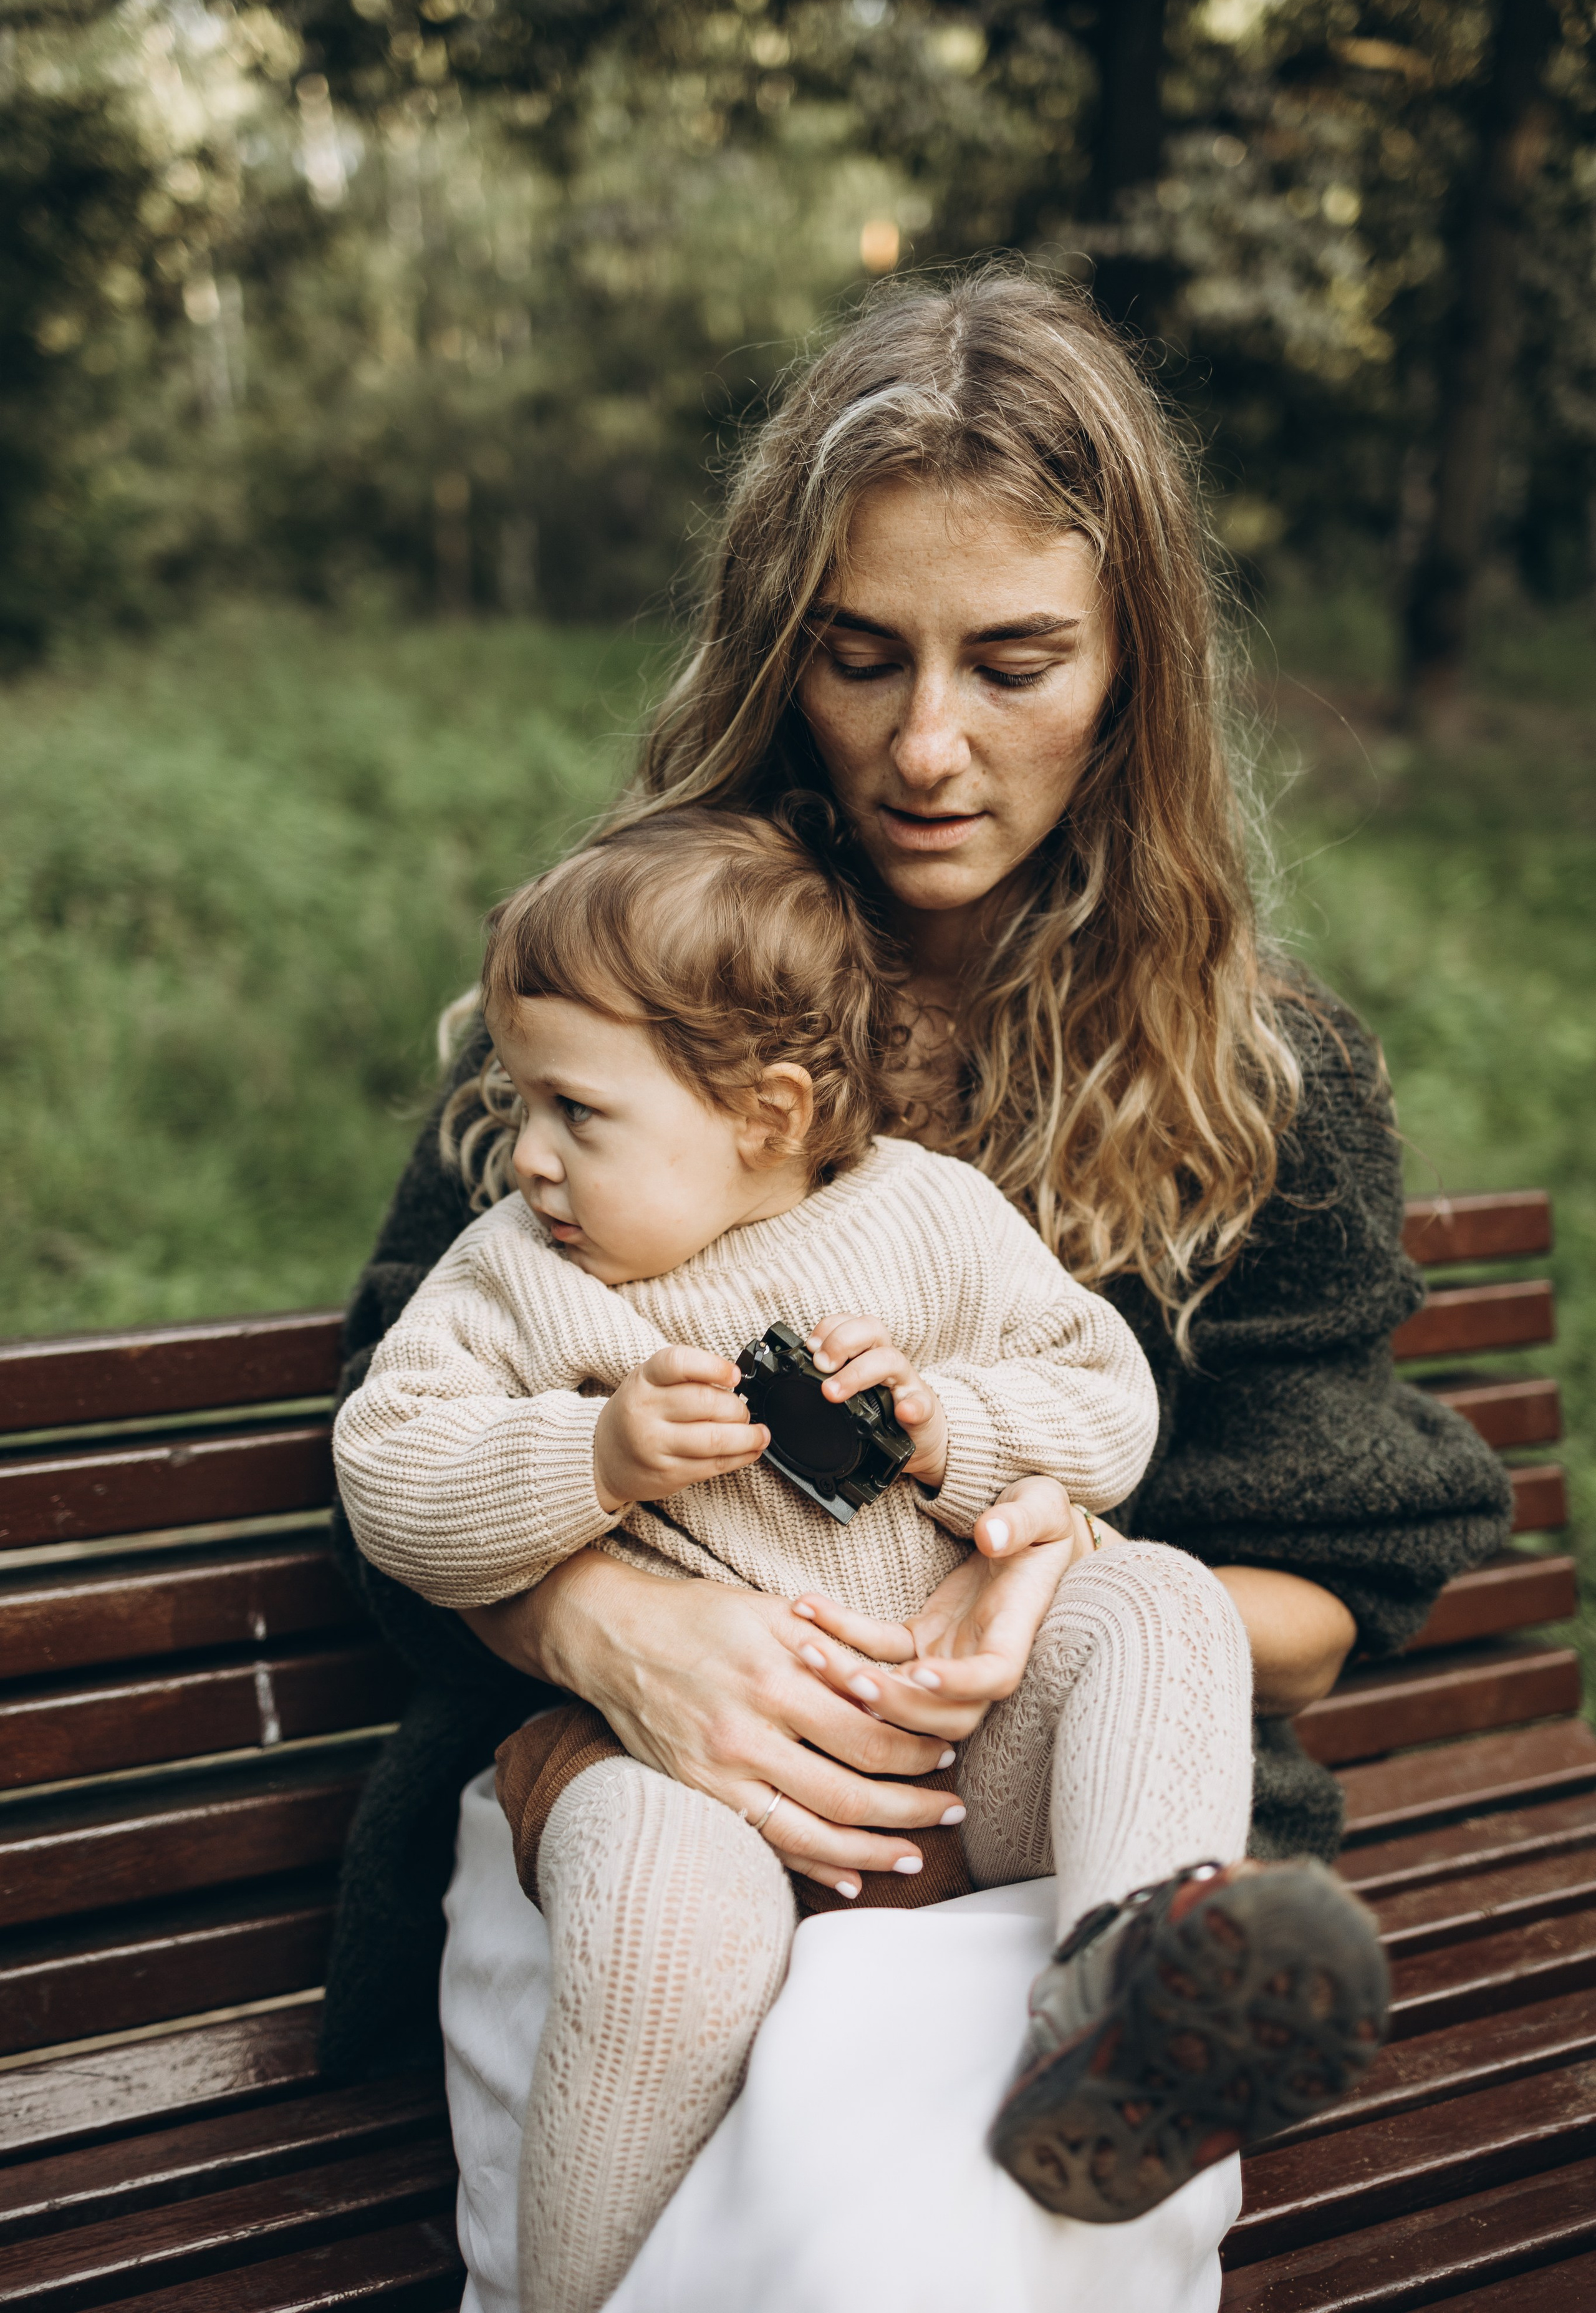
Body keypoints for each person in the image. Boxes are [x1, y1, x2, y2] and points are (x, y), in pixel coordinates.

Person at [320, 269, 1512, 2308]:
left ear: (1135, 671)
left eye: (1017, 663)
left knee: (949, 2241)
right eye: (860, 659)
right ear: (783, 655)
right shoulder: (611, 1012)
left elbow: (1335, 1578)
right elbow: (393, 1446)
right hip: (638, 1811)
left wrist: (1034, 1595)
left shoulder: (1259, 1077)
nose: (927, 746)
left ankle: (1141, 2005)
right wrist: (607, 1630)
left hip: (1040, 1842)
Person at [334, 808, 1387, 2313]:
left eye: (577, 1112)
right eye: (521, 1105)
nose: (530, 1156)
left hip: (955, 1742)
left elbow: (1102, 1402)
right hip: (687, 1780)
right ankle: (563, 2291)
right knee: (657, 1906)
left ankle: (1134, 2001)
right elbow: (389, 1474)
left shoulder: (928, 1220)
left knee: (1155, 1604)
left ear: (764, 1113)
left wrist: (948, 1426)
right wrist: (592, 1460)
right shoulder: (512, 1274)